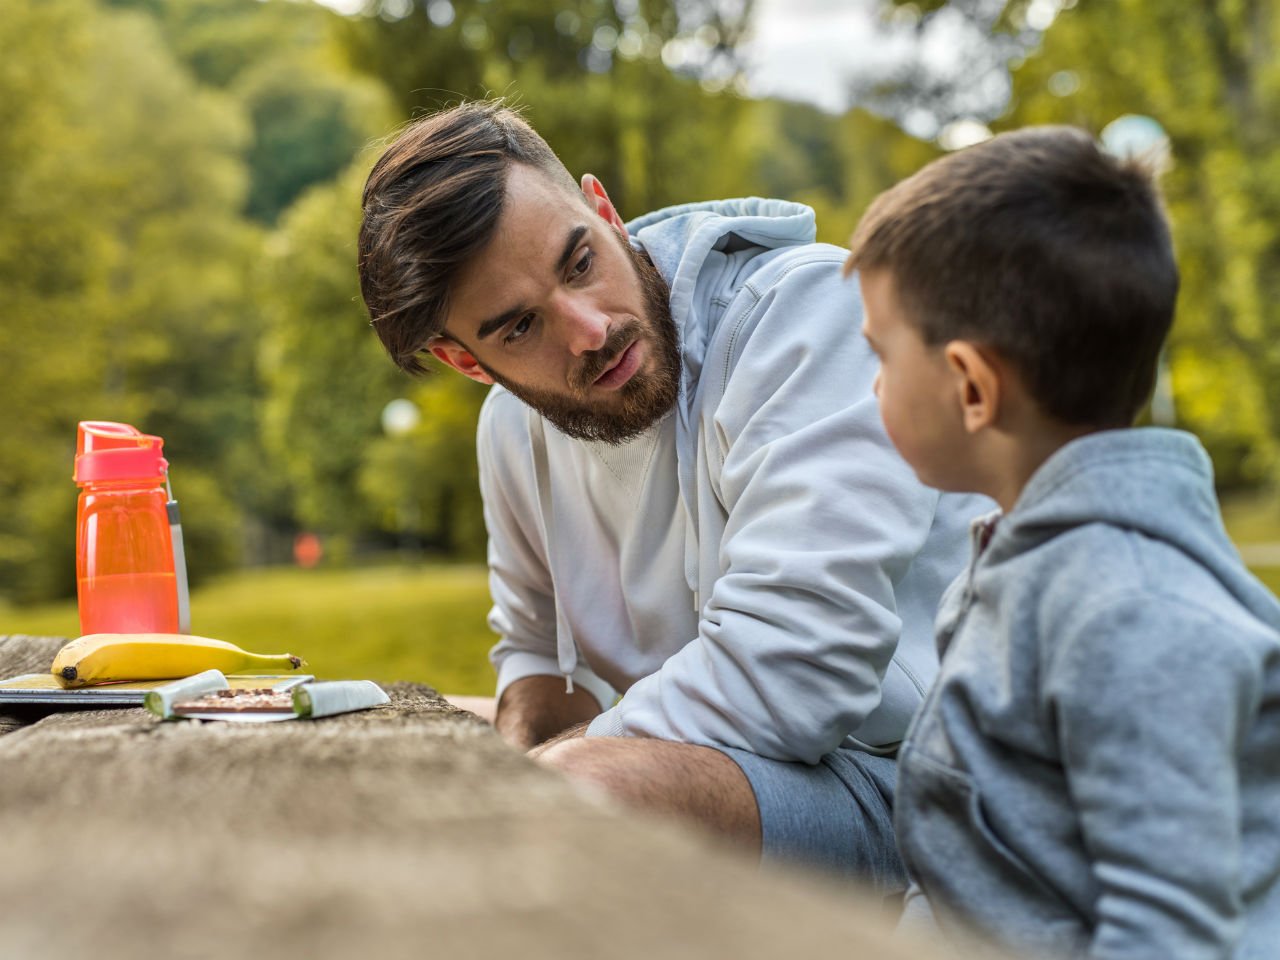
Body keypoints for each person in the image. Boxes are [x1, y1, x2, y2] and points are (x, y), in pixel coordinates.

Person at [357, 100, 980, 889]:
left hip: (935, 792)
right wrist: (531, 738)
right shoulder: (511, 433)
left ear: (605, 212)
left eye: (579, 262)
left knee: (581, 796)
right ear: (467, 362)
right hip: (752, 772)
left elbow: (800, 671)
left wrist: (556, 769)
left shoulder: (805, 316)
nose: (587, 330)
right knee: (395, 728)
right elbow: (536, 661)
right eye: (519, 328)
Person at [846, 125, 1280, 957]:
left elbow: (1169, 936)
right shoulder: (1025, 557)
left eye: (880, 353)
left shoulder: (1131, 609)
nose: (871, 384)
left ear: (971, 386)